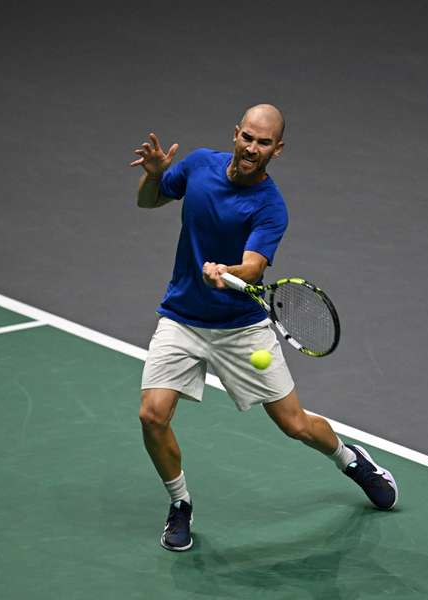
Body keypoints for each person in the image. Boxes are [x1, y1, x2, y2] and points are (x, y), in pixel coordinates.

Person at [130, 104, 398, 552]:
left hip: (241, 329)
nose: (253, 148)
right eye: (248, 138)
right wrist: (155, 174)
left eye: (264, 143)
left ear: (278, 149)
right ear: (236, 134)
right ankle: (180, 505)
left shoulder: (270, 207)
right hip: (182, 318)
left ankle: (352, 461)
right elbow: (147, 199)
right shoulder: (197, 165)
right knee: (152, 414)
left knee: (294, 425)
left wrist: (226, 270)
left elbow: (253, 269)